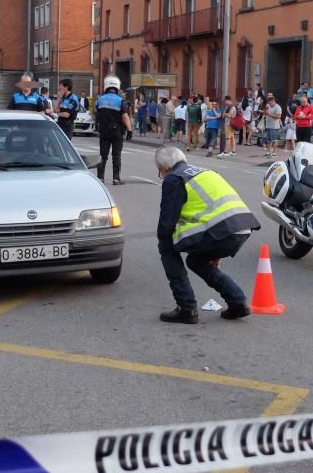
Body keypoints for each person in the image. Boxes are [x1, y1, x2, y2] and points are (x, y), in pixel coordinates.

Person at [155, 146, 260, 324]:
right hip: (241, 227)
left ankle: (186, 308)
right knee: (196, 260)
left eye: (160, 172)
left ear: (163, 169)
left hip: (221, 230)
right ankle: (238, 302)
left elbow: (166, 225)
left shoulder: (174, 178)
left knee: (165, 245)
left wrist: (166, 239)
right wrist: (214, 251)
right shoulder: (205, 171)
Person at [95, 75, 129, 185]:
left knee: (103, 155)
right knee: (116, 155)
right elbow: (125, 116)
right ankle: (116, 178)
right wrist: (130, 130)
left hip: (104, 131)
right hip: (117, 131)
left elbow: (97, 113)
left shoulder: (99, 100)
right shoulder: (120, 100)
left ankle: (100, 178)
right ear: (117, 87)